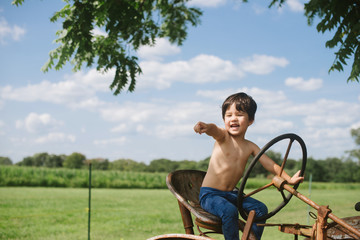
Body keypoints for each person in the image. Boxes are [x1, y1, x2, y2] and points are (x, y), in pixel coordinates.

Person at [194, 92, 303, 240]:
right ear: (224, 119)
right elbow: (214, 129)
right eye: (228, 115)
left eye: (239, 115)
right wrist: (206, 126)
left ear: (250, 120)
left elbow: (270, 165)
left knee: (260, 209)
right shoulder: (223, 137)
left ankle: (251, 238)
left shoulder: (250, 146)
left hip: (233, 194)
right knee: (229, 211)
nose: (233, 119)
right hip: (210, 195)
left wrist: (289, 179)